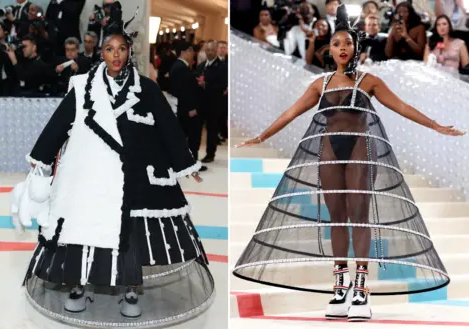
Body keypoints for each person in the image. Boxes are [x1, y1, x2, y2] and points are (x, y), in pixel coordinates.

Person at [234, 4, 463, 322]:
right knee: (337, 216)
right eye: (337, 44)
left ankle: (361, 289)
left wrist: (436, 125)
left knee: (360, 214)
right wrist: (261, 136)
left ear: (355, 48)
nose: (343, 48)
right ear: (331, 50)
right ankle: (340, 286)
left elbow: (402, 106)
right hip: (329, 150)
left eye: (348, 43)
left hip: (358, 149)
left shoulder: (370, 81)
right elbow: (290, 113)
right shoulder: (321, 84)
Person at [12, 1, 213, 322]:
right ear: (101, 53)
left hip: (136, 177)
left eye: (121, 49)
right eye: (109, 49)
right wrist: (41, 160)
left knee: (129, 232)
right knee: (85, 227)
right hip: (90, 175)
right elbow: (57, 126)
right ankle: (82, 283)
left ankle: (130, 287)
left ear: (129, 51)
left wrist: (184, 163)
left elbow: (168, 127)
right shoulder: (82, 88)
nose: (115, 54)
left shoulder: (146, 87)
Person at [169, 41, 207, 172]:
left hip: (185, 108)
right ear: (183, 52)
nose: (192, 53)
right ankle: (190, 164)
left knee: (190, 137)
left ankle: (190, 162)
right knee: (192, 137)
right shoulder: (180, 68)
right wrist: (191, 108)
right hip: (187, 110)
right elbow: (183, 91)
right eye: (190, 50)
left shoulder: (181, 67)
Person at [196, 40, 225, 163]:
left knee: (212, 129)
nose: (209, 52)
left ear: (216, 50)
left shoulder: (222, 66)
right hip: (201, 103)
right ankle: (195, 151)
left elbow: (222, 85)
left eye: (212, 50)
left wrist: (206, 84)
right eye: (207, 50)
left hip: (214, 104)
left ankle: (210, 153)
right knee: (197, 128)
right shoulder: (201, 66)